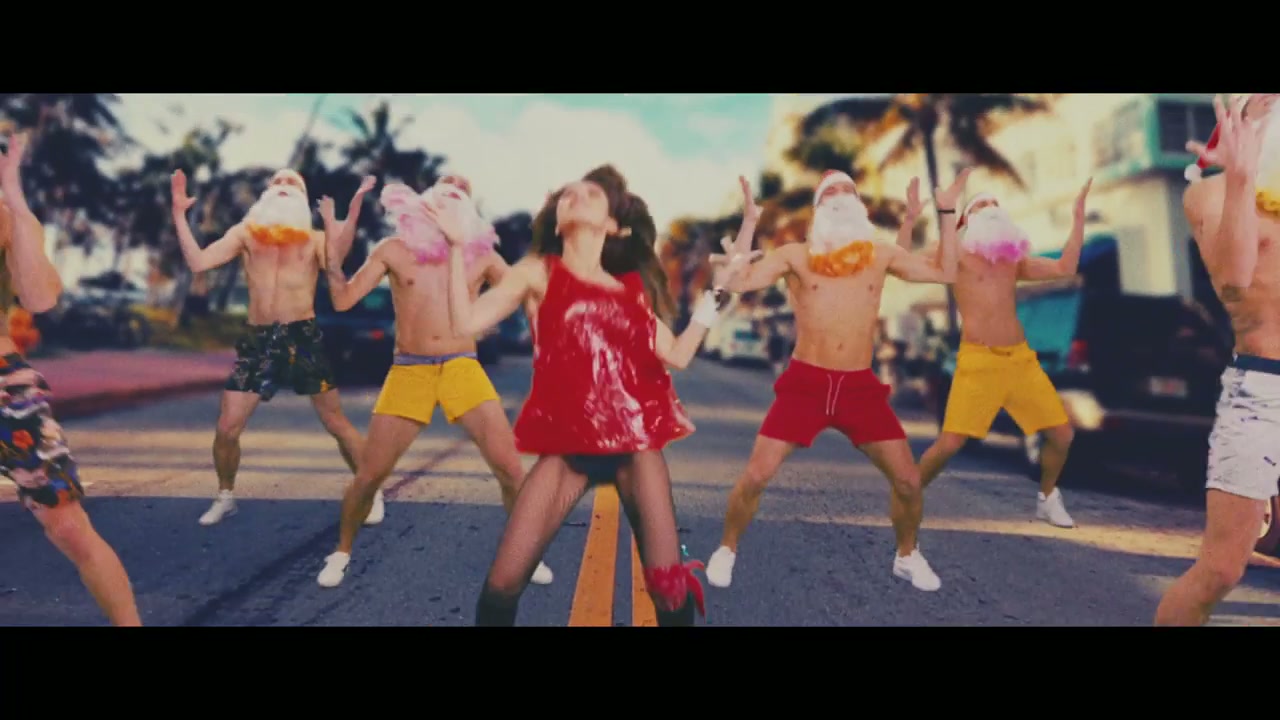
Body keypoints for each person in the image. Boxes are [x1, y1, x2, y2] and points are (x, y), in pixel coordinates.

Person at [438, 165, 754, 626]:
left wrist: (720, 289)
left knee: (669, 592)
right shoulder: (537, 273)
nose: (576, 196)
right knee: (503, 584)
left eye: (591, 193)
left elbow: (679, 354)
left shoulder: (632, 291)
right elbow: (465, 323)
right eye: (567, 194)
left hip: (636, 448)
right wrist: (454, 248)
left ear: (613, 225)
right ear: (557, 219)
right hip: (568, 449)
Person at [704, 169, 970, 592]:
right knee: (756, 476)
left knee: (908, 481)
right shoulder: (796, 255)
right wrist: (750, 222)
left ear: (859, 206)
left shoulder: (880, 255)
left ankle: (907, 556)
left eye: (849, 190)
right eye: (831, 192)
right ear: (819, 208)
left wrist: (947, 211)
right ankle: (727, 549)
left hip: (859, 388)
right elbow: (739, 280)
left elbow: (946, 273)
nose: (842, 195)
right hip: (805, 384)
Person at [314, 174, 554, 588]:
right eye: (445, 184)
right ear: (425, 199)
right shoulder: (393, 249)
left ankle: (526, 555)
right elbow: (343, 299)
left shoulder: (482, 256)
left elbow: (530, 292)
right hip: (411, 368)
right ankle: (341, 552)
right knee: (370, 475)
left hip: (463, 366)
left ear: (468, 209)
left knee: (511, 470)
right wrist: (333, 260)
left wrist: (548, 237)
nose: (453, 187)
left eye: (462, 188)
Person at [169, 169, 372, 526]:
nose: (283, 186)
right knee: (227, 427)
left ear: (302, 198)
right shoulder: (245, 234)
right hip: (259, 340)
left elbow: (336, 263)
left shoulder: (315, 239)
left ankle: (371, 491)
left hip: (302, 337)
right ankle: (225, 496)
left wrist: (348, 214)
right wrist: (178, 214)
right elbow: (199, 261)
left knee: (335, 421)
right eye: (277, 182)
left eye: (292, 183)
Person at [0, 131, 141, 626]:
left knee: (68, 527)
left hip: (6, 391)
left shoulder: (9, 220)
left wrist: (16, 203)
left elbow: (40, 297)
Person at [1156, 93, 1280, 625]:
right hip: (1265, 389)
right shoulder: (1206, 193)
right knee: (1222, 569)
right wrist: (1241, 180)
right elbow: (1233, 281)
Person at [915, 180, 1092, 530]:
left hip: (1020, 361)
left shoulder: (1013, 262)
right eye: (980, 205)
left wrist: (1078, 219)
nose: (990, 208)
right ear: (967, 220)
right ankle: (911, 489)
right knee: (950, 443)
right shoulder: (954, 254)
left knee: (1062, 434)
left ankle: (1047, 498)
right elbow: (913, 260)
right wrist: (946, 212)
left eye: (994, 203)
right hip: (978, 362)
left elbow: (1064, 267)